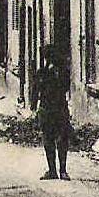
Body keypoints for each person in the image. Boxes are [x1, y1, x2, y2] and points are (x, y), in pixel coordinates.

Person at [31, 44, 72, 181]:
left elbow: (65, 87)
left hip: (60, 109)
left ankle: (63, 170)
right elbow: (35, 90)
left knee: (62, 140)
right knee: (48, 140)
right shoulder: (41, 73)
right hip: (46, 109)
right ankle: (52, 170)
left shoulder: (63, 72)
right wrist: (34, 108)